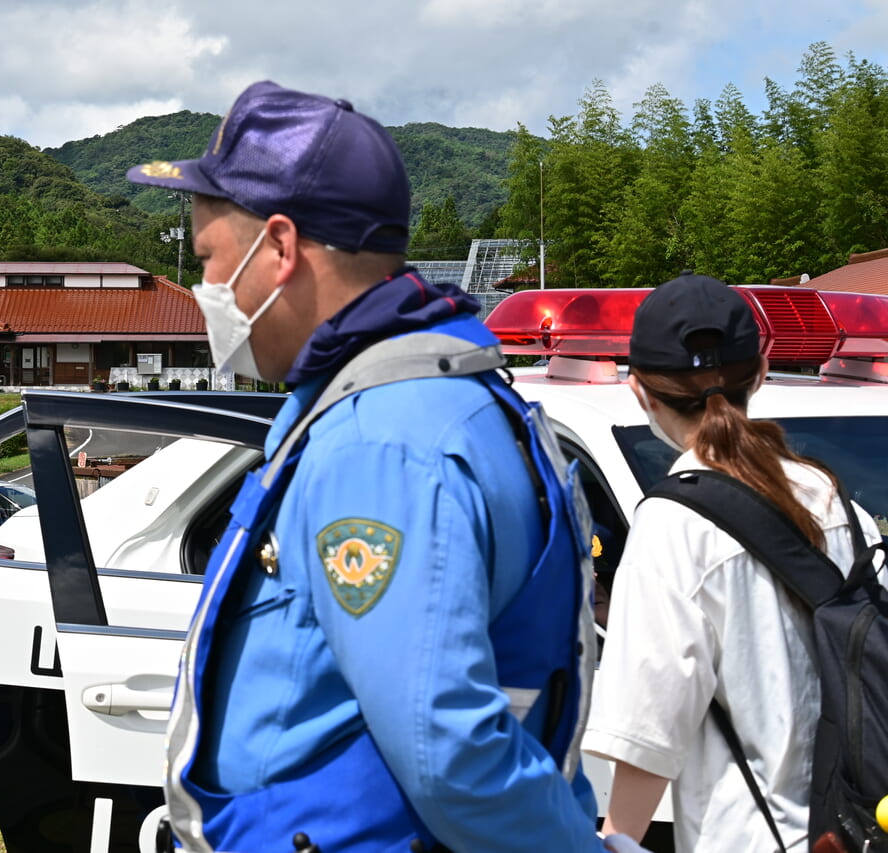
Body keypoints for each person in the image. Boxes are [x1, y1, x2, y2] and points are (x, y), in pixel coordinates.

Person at [128, 80, 639, 853]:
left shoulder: (383, 443)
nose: (206, 291)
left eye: (208, 260)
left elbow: (446, 749)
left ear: (279, 247)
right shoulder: (434, 399)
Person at [582, 273, 883, 851]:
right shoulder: (839, 503)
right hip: (855, 829)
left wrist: (617, 840)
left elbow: (648, 730)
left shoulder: (673, 525)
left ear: (639, 388)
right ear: (763, 370)